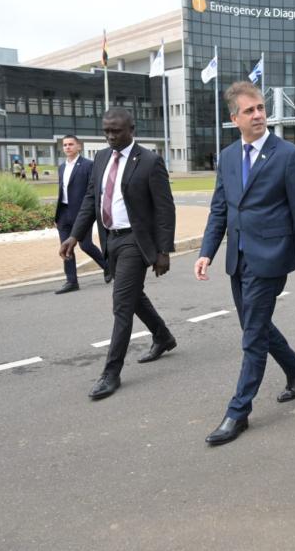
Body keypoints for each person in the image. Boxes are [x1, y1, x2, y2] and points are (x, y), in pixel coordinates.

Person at [195, 81, 295, 446]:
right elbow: (221, 207)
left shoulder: (288, 155)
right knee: (257, 325)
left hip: (271, 258)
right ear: (235, 118)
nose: (259, 115)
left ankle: (238, 411)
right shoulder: (229, 156)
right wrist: (207, 251)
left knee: (251, 335)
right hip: (238, 257)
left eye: (261, 108)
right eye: (249, 111)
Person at [60, 107, 178, 401]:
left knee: (122, 304)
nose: (111, 136)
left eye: (117, 131)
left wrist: (163, 251)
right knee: (133, 296)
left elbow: (165, 208)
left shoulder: (150, 161)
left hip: (135, 242)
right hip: (109, 239)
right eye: (107, 131)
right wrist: (75, 235)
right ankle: (163, 336)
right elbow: (91, 200)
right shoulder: (100, 158)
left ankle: (111, 372)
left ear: (131, 129)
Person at [54, 135, 110, 294]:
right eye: (65, 145)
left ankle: (107, 267)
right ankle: (71, 281)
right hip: (64, 213)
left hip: (81, 213)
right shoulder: (61, 167)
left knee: (85, 245)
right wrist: (57, 215)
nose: (67, 147)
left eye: (71, 144)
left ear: (79, 146)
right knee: (66, 247)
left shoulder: (88, 166)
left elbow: (93, 191)